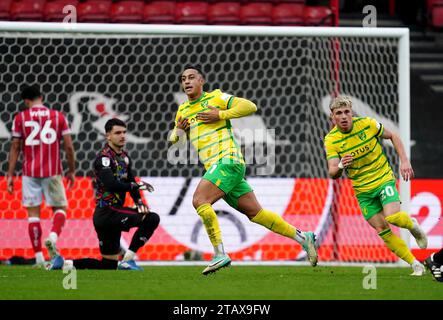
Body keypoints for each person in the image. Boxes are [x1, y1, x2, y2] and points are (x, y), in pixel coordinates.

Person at [169, 66, 318, 275]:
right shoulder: (183, 109)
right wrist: (179, 131)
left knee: (199, 200)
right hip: (217, 167)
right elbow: (173, 139)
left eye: (191, 77)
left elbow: (250, 106)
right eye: (183, 78)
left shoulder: (216, 97)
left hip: (228, 161)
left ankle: (219, 253)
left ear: (201, 80)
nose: (186, 81)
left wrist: (220, 114)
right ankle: (303, 238)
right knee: (256, 213)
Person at [324, 95, 427, 276]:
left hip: (382, 178)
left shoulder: (367, 124)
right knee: (382, 229)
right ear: (332, 117)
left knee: (393, 217)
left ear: (352, 112)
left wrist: (404, 161)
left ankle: (412, 225)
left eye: (346, 112)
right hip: (362, 191)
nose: (343, 116)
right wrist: (341, 165)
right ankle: (415, 264)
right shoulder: (331, 140)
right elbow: (332, 172)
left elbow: (393, 135)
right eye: (338, 113)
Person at [48, 118, 160, 271]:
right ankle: (128, 259)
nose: (122, 136)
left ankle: (66, 264)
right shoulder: (104, 158)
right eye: (118, 133)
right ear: (108, 136)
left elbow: (131, 180)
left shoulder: (124, 157)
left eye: (124, 132)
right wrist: (135, 185)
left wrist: (139, 201)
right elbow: (111, 184)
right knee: (152, 218)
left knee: (108, 265)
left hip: (110, 214)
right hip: (107, 212)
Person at [7, 85, 76, 267]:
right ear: (41, 97)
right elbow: (69, 147)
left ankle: (38, 258)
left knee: (33, 215)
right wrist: (72, 170)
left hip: (29, 173)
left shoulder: (20, 118)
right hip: (52, 172)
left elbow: (15, 147)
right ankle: (52, 238)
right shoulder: (58, 116)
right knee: (60, 208)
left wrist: (10, 175)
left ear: (26, 101)